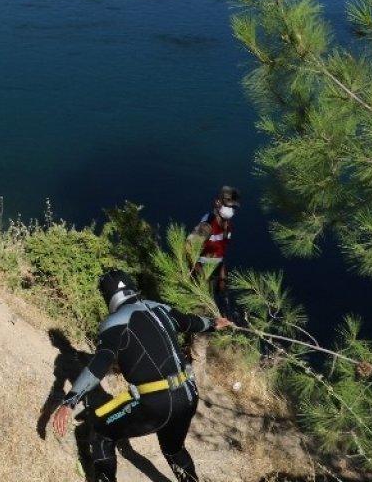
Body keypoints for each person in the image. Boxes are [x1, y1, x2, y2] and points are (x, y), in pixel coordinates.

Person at [51, 270, 233, 482]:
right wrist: (213, 323)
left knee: (101, 434)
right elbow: (190, 322)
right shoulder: (159, 308)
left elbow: (101, 362)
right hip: (189, 395)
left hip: (157, 402)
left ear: (107, 296)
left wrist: (70, 401)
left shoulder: (114, 322)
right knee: (174, 449)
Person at [193, 186, 239, 316]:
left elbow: (222, 252)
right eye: (227, 205)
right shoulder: (207, 225)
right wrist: (201, 279)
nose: (230, 210)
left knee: (211, 306)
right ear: (217, 202)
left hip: (215, 273)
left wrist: (223, 278)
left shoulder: (228, 226)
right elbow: (188, 249)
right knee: (200, 310)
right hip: (200, 274)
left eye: (233, 207)